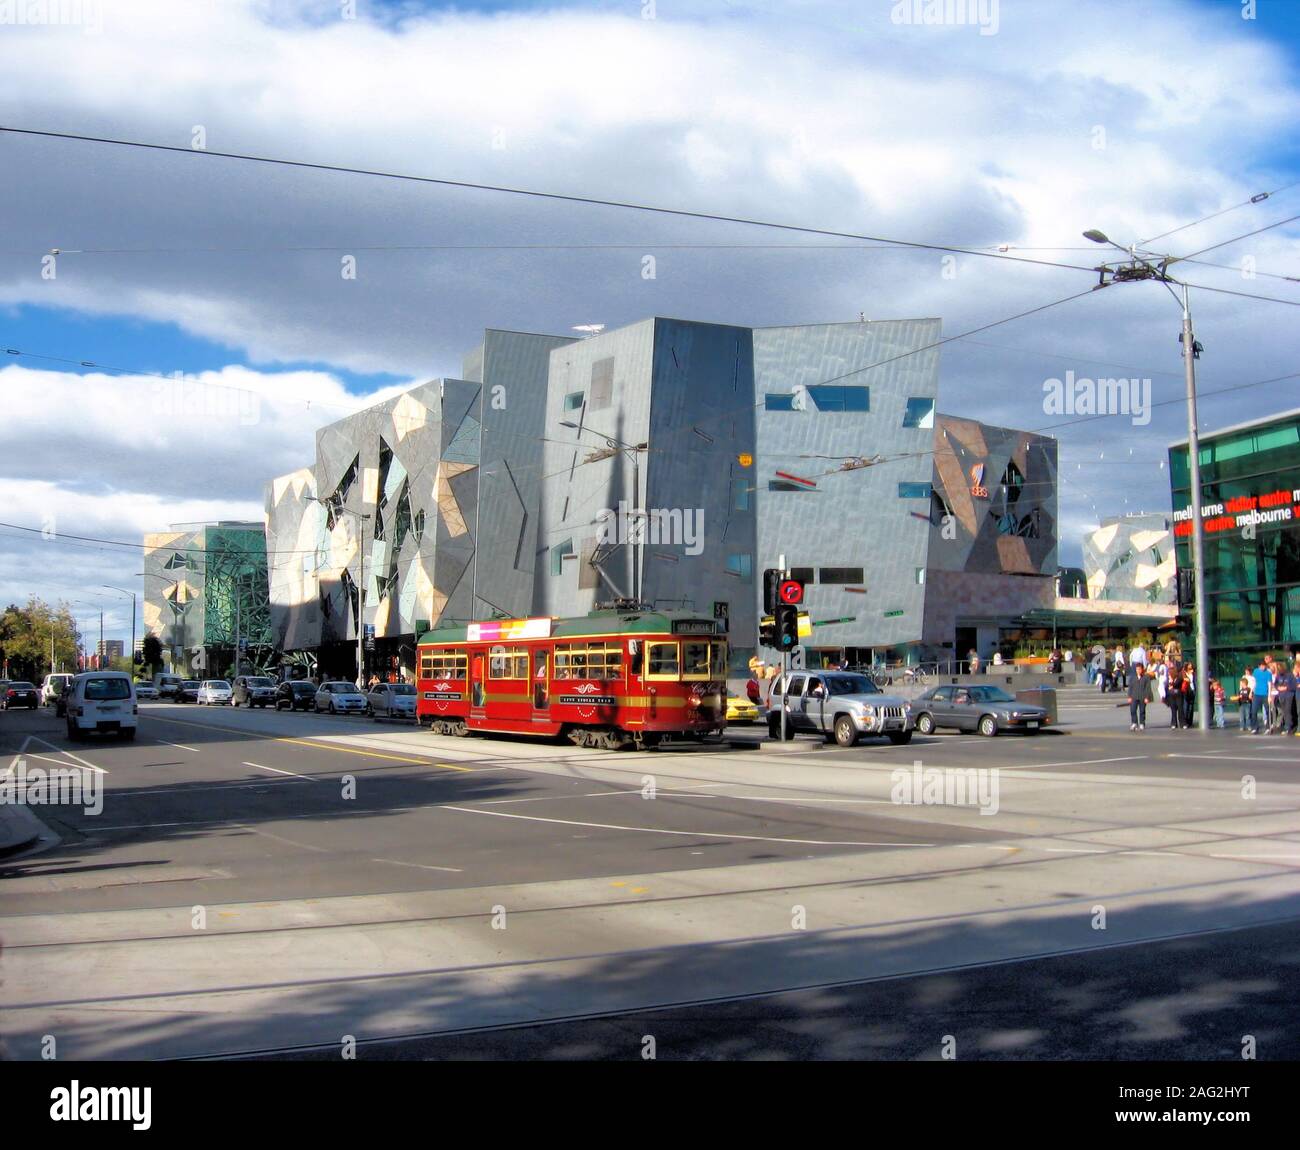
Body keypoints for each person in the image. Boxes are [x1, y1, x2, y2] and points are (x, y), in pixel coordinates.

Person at [1250, 657, 1272, 734]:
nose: (1263, 667)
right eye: (1261, 666)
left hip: (1265, 694)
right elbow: (1254, 682)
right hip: (1257, 694)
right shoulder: (1256, 671)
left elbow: (1269, 684)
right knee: (1253, 711)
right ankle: (1255, 727)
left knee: (1267, 711)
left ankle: (1268, 727)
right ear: (1259, 666)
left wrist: (1269, 695)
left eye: (1264, 666)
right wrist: (1251, 692)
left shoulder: (1268, 673)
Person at [1275, 658, 1297, 736]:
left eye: (1279, 668)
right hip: (1281, 696)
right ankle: (1287, 726)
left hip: (1288, 696)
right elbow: (1276, 683)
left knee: (1288, 711)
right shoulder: (1278, 676)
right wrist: (1278, 687)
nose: (1278, 670)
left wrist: (1286, 688)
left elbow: (1294, 686)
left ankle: (1288, 727)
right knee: (1284, 712)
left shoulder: (1290, 675)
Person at [1128, 663, 1152, 731]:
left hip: (1142, 696)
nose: (1138, 670)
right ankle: (1134, 722)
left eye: (1139, 669)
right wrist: (1129, 696)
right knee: (1133, 710)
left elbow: (1148, 688)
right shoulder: (1132, 677)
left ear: (1142, 669)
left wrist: (1147, 697)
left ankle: (1142, 723)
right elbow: (1130, 687)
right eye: (1137, 669)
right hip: (1134, 696)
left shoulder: (1146, 677)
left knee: (1142, 711)